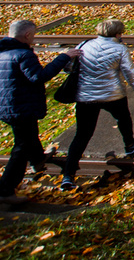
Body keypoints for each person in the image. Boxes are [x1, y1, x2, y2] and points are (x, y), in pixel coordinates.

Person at [0, 20, 82, 204]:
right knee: (21, 147)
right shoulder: (23, 54)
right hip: (21, 106)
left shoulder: (3, 52)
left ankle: (37, 159)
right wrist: (64, 57)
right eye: (34, 36)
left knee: (28, 136)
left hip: (6, 105)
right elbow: (39, 76)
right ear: (28, 35)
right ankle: (5, 190)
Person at [60, 19, 134, 191]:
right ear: (117, 34)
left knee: (82, 135)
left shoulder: (85, 44)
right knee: (123, 118)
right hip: (112, 94)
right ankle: (129, 144)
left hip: (86, 97)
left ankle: (68, 175)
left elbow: (69, 66)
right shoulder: (120, 48)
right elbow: (130, 73)